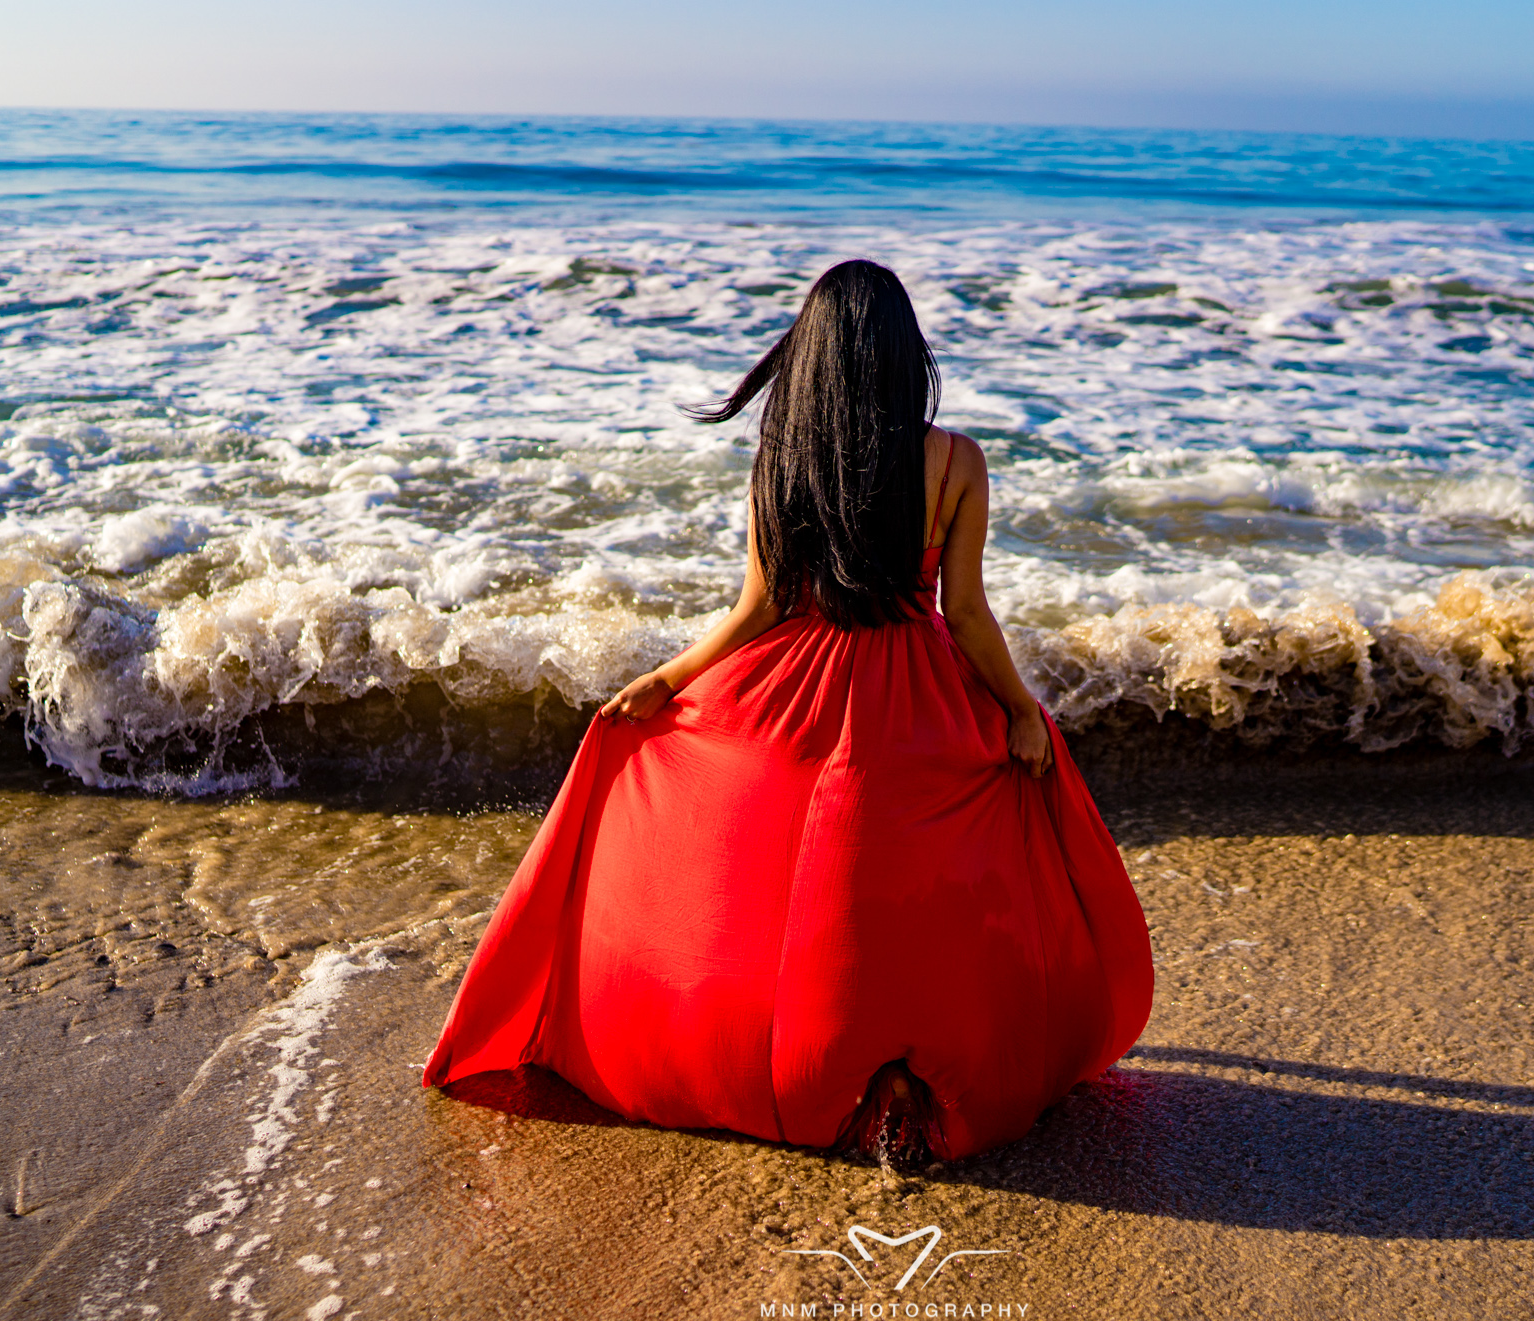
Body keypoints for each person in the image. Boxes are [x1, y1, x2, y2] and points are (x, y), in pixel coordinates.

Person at [423, 259, 1152, 1161]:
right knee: (922, 889)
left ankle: (799, 1059)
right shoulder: (956, 460)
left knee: (792, 892)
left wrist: (668, 681)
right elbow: (963, 610)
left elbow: (758, 607)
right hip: (919, 691)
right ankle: (910, 1071)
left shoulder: (783, 460)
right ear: (902, 354)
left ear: (810, 357)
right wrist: (1020, 708)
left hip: (798, 688)